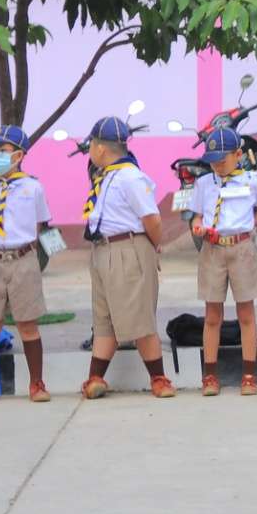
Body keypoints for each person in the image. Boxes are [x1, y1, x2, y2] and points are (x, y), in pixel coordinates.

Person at [77, 114, 171, 399]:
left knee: (138, 316)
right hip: (103, 250)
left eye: (91, 145)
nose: (90, 150)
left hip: (127, 249)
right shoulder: (106, 176)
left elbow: (152, 219)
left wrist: (153, 247)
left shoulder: (131, 177)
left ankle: (159, 379)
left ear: (100, 147)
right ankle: (95, 378)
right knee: (104, 320)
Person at [0, 126, 53, 404]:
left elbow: (38, 225)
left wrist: (21, 249)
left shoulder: (33, 187)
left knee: (27, 323)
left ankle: (37, 384)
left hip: (23, 260)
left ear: (19, 155)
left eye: (2, 150)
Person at [191, 126, 257, 394]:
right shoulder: (204, 183)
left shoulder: (252, 182)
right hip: (212, 249)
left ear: (238, 155)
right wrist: (198, 226)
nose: (218, 166)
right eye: (213, 161)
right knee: (212, 314)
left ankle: (249, 375)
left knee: (246, 312)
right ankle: (210, 376)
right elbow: (197, 215)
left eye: (223, 160)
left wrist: (249, 227)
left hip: (241, 249)